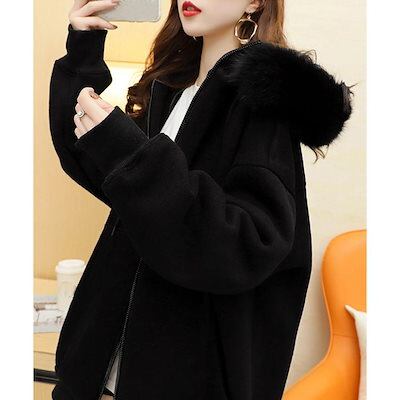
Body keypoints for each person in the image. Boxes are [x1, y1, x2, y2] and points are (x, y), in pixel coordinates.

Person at [48, 0, 353, 399]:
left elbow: (243, 245)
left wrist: (131, 154)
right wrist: (83, 51)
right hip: (101, 372)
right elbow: (103, 172)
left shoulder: (261, 108)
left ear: (256, 2)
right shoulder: (173, 89)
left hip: (184, 380)